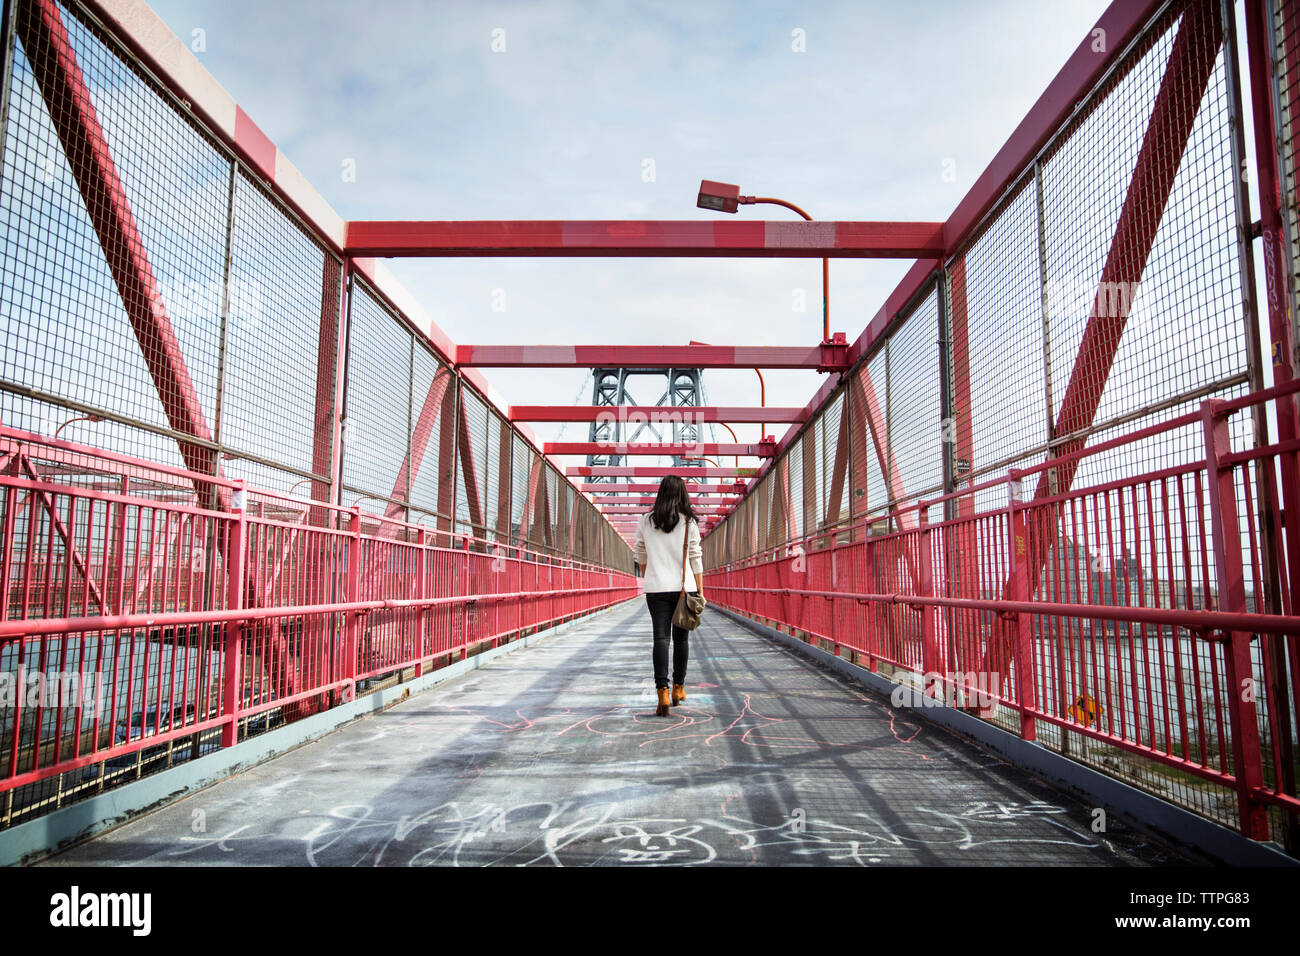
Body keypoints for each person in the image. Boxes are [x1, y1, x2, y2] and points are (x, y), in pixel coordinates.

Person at [632, 475, 704, 717]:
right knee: (681, 640)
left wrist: (649, 573)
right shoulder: (689, 522)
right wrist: (700, 591)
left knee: (660, 639)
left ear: (660, 493)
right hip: (685, 588)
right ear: (682, 494)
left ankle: (661, 691)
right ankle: (678, 689)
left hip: (656, 588)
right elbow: (695, 557)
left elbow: (639, 551)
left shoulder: (645, 521)